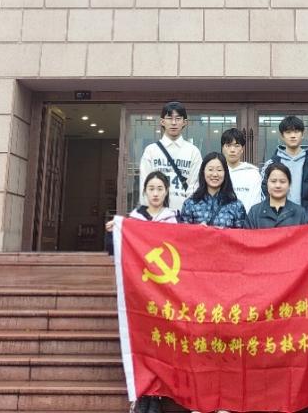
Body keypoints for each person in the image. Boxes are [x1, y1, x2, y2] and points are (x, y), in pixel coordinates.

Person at [106, 172, 176, 413]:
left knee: (160, 343)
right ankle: (142, 393)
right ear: (144, 191)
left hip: (165, 294)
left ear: (166, 191)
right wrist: (112, 232)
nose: (155, 193)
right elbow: (114, 251)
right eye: (151, 188)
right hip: (140, 293)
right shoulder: (134, 220)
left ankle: (156, 394)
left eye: (160, 188)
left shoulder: (173, 220)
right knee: (143, 341)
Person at [138, 101, 202, 211]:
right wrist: (149, 214)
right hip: (156, 216)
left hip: (183, 215)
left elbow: (194, 187)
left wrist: (188, 214)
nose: (173, 123)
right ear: (162, 121)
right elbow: (145, 186)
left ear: (184, 122)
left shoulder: (193, 152)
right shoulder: (151, 151)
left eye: (178, 118)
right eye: (169, 118)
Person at [261, 116, 308, 216]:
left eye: (296, 132)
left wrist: (307, 216)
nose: (293, 136)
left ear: (302, 134)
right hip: (278, 219)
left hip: (307, 220)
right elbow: (264, 191)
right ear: (282, 136)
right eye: (288, 132)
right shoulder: (271, 164)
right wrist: (276, 215)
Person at [179, 153, 248, 228]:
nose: (215, 174)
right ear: (203, 172)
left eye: (219, 170)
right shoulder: (190, 204)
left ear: (225, 173)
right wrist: (198, 230)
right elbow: (183, 233)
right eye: (210, 169)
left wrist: (225, 232)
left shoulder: (236, 206)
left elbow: (242, 234)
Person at [247, 163, 308, 228]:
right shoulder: (254, 213)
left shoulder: (300, 214)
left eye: (282, 181)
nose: (278, 185)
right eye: (273, 181)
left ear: (289, 184)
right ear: (267, 183)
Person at [221, 127, 262, 212]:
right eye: (228, 145)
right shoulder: (216, 173)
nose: (232, 150)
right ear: (222, 148)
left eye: (237, 146)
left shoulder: (253, 174)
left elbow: (256, 204)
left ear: (242, 149)